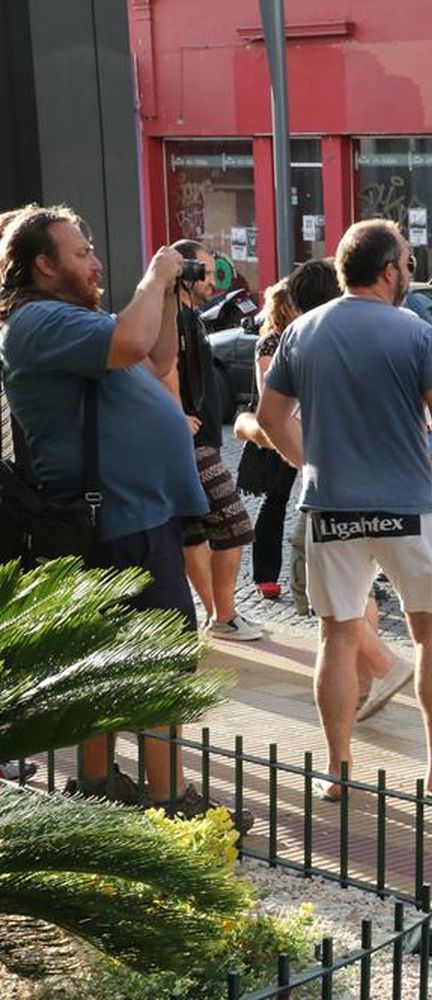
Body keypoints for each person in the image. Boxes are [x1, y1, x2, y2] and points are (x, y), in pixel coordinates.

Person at [0, 205, 226, 817]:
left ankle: (99, 784)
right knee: (159, 661)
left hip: (130, 515)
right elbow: (129, 342)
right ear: (43, 264)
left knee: (107, 658)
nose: (95, 260)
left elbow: (150, 361)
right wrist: (153, 277)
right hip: (114, 520)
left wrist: (165, 298)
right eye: (81, 252)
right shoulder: (38, 321)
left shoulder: (67, 319)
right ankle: (170, 801)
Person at [259, 220, 432, 797]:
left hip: (331, 505)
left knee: (337, 636)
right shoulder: (412, 331)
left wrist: (308, 462)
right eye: (406, 263)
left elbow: (271, 418)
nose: (409, 272)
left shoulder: (301, 331)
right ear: (388, 271)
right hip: (406, 504)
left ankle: (337, 769)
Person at [235, 257, 411, 724]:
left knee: (321, 594)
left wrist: (248, 425)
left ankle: (381, 668)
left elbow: (283, 421)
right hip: (382, 481)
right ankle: (363, 688)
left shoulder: (301, 344)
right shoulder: (383, 334)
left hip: (331, 485)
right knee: (356, 588)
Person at [165, 239, 264, 641]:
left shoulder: (190, 316)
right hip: (190, 441)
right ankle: (223, 616)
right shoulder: (172, 317)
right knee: (235, 526)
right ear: (182, 273)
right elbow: (162, 367)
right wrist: (175, 416)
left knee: (195, 531)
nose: (211, 278)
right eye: (203, 270)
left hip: (199, 437)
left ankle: (216, 615)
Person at [247, 280, 298, 600]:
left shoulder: (305, 335)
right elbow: (267, 388)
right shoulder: (271, 342)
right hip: (281, 427)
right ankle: (265, 575)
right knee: (275, 500)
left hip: (309, 424)